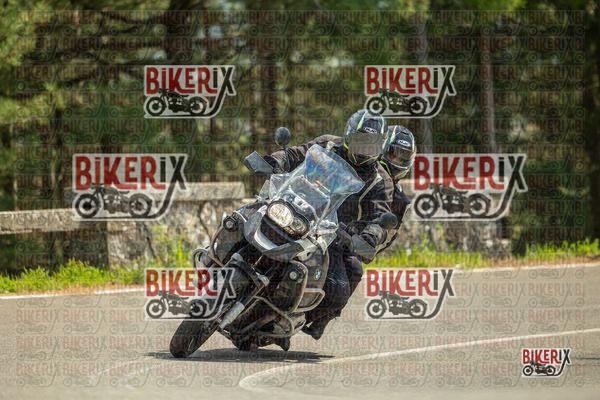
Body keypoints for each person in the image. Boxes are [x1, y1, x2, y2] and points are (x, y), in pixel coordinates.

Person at [263, 109, 394, 343]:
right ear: (348, 135)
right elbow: (296, 154)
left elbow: (379, 217)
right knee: (247, 214)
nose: (364, 148)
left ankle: (310, 318)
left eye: (371, 144)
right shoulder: (327, 145)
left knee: (343, 284)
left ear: (380, 147)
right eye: (360, 141)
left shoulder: (379, 180)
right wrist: (276, 160)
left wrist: (370, 236)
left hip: (332, 234)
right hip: (295, 207)